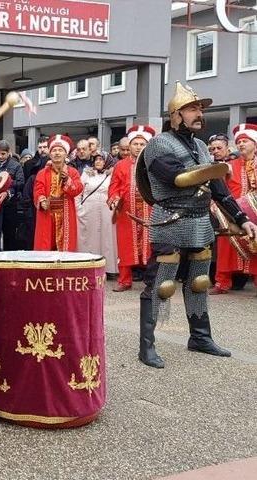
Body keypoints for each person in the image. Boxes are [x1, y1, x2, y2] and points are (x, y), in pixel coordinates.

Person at [137, 82, 257, 369]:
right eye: (192, 108)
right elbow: (176, 177)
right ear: (176, 114)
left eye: (201, 108)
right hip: (170, 221)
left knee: (199, 282)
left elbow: (218, 187)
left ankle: (200, 337)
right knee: (161, 285)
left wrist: (241, 219)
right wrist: (214, 170)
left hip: (200, 221)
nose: (199, 113)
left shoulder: (202, 147)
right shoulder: (158, 145)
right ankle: (146, 346)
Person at [108, 125, 155, 291]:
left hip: (151, 211)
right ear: (130, 145)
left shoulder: (154, 164)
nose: (138, 147)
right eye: (135, 144)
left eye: (142, 144)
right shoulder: (120, 165)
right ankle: (124, 280)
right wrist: (114, 199)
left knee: (151, 247)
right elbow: (114, 187)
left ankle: (152, 281)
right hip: (127, 212)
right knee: (125, 246)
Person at [212, 123, 257, 294]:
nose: (241, 144)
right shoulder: (229, 165)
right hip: (232, 213)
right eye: (239, 142)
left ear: (255, 143)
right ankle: (222, 283)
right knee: (225, 246)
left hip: (255, 213)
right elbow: (219, 187)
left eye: (245, 141)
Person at [33, 134, 84, 252]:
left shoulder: (73, 172)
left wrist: (67, 180)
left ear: (66, 154)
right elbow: (38, 189)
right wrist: (41, 200)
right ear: (50, 154)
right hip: (47, 213)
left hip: (65, 213)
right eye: (54, 150)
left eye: (60, 150)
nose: (57, 153)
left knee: (65, 248)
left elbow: (78, 189)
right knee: (45, 246)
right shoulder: (42, 173)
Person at [77, 153, 117, 276]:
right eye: (96, 159)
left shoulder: (112, 174)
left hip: (106, 209)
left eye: (101, 159)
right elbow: (79, 191)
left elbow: (116, 190)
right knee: (89, 237)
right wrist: (78, 208)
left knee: (107, 238)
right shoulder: (87, 173)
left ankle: (108, 268)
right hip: (88, 209)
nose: (98, 162)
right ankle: (88, 265)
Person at [0, 140, 25, 251]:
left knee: (9, 236)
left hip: (10, 205)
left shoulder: (16, 166)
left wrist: (6, 184)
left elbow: (21, 183)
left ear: (8, 153)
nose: (0, 156)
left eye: (3, 154)